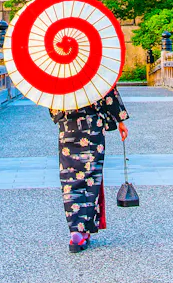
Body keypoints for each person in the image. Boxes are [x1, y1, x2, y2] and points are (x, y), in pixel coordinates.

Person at [51, 87, 129, 253]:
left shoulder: (58, 76)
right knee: (90, 177)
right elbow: (108, 92)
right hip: (92, 127)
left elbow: (52, 106)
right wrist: (120, 120)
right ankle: (84, 228)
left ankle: (75, 231)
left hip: (68, 129)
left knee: (70, 179)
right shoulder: (94, 69)